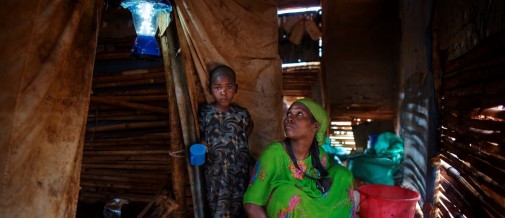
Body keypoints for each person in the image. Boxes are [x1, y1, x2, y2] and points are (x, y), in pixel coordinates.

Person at [243, 98, 355, 217]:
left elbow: (328, 190)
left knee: (342, 174)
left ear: (315, 126)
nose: (289, 119)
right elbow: (251, 204)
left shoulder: (319, 154)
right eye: (289, 114)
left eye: (299, 114)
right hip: (288, 210)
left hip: (315, 211)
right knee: (287, 194)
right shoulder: (274, 153)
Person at [198, 64, 254, 217]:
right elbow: (202, 135)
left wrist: (239, 141)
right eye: (218, 87)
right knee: (217, 206)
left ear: (236, 88)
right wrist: (204, 142)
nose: (224, 92)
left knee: (238, 204)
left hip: (238, 170)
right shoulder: (206, 112)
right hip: (215, 171)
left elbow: (250, 126)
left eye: (229, 87)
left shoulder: (241, 113)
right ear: (210, 89)